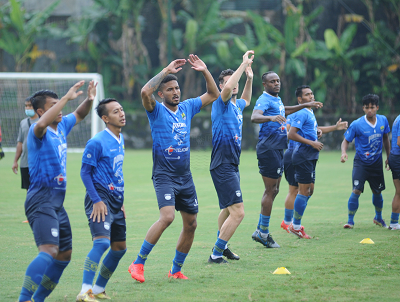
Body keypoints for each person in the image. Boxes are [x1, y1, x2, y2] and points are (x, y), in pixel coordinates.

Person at [128, 54, 219, 282]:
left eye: (177, 88)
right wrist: (166, 69)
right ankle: (138, 263)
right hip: (164, 175)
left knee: (191, 224)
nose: (175, 92)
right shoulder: (156, 111)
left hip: (184, 176)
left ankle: (175, 270)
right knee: (167, 217)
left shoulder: (188, 107)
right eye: (169, 89)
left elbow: (214, 94)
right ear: (161, 94)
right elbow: (144, 92)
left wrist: (205, 70)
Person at [18, 81, 97, 302]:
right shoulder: (37, 131)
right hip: (41, 199)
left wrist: (89, 99)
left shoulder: (61, 126)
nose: (61, 109)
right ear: (41, 111)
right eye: (54, 105)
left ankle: (38, 299)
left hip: (56, 203)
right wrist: (65, 98)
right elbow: (41, 123)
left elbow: (79, 114)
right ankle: (23, 299)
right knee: (49, 251)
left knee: (64, 255)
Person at [250, 72, 322, 247]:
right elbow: (254, 116)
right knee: (270, 191)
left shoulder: (277, 99)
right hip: (268, 148)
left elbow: (285, 110)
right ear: (264, 84)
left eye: (278, 81)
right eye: (272, 81)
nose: (276, 83)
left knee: (274, 190)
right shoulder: (265, 99)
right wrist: (270, 117)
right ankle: (263, 233)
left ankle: (261, 229)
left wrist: (306, 104)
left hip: (277, 149)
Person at [76, 98, 126, 302]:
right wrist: (97, 200)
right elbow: (85, 173)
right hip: (99, 197)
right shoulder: (96, 142)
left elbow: (116, 172)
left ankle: (98, 289)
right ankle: (84, 291)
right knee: (102, 244)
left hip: (115, 200)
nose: (122, 113)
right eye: (116, 111)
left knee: (119, 248)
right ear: (105, 118)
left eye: (121, 109)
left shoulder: (120, 138)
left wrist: (120, 201)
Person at [208, 51, 254, 264]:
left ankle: (222, 246)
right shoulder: (221, 101)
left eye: (234, 81)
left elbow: (246, 98)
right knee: (238, 212)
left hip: (231, 164)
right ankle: (216, 253)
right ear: (221, 86)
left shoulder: (236, 106)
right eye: (228, 82)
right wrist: (242, 64)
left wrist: (249, 78)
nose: (233, 84)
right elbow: (228, 89)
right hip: (223, 163)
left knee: (227, 209)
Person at [285, 85, 348, 238]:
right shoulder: (301, 112)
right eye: (307, 95)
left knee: (309, 191)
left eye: (312, 93)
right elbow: (291, 134)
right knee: (301, 191)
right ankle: (295, 225)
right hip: (302, 155)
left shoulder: (309, 112)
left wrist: (333, 128)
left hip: (310, 156)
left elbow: (313, 129)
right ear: (300, 99)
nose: (311, 96)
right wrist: (312, 142)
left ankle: (294, 222)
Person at [341, 94, 390, 229]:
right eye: (367, 107)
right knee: (356, 190)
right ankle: (350, 221)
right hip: (361, 163)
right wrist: (344, 152)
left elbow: (386, 138)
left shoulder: (383, 121)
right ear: (363, 108)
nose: (369, 110)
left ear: (377, 108)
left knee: (377, 192)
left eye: (372, 107)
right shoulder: (357, 124)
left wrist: (388, 156)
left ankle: (378, 218)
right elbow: (346, 141)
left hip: (376, 164)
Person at [13, 97, 39, 223]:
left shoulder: (43, 121)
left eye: (30, 106)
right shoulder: (23, 122)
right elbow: (20, 143)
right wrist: (15, 161)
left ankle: (42, 214)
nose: (28, 108)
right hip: (25, 163)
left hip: (39, 163)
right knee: (29, 191)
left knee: (40, 189)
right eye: (26, 106)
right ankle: (31, 216)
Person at [389, 114, 400, 230]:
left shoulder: (398, 117)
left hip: (395, 158)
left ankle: (394, 223)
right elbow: (399, 142)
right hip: (398, 158)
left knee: (399, 192)